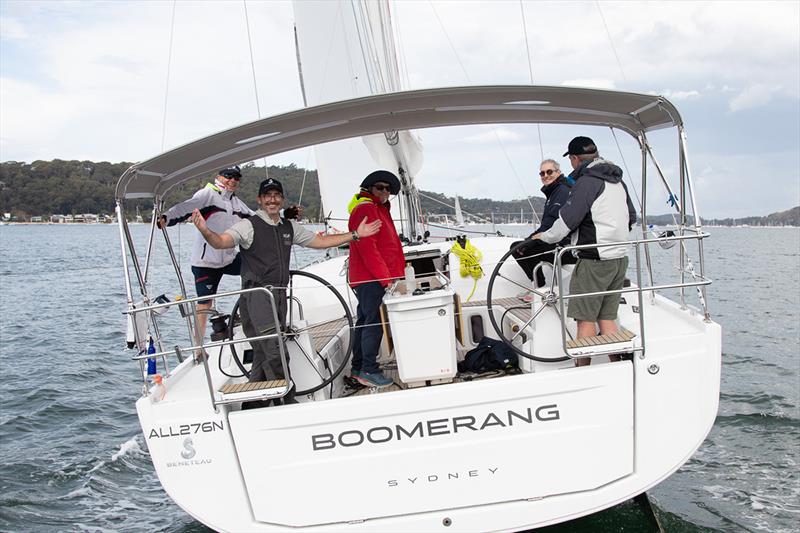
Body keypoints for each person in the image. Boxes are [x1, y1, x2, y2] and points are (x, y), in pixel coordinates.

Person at [191, 177, 381, 403]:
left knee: (262, 353)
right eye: (267, 196)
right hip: (257, 297)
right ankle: (287, 401)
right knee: (275, 350)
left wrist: (355, 235)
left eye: (276, 195)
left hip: (279, 297)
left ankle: (253, 406)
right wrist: (205, 230)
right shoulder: (248, 225)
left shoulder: (289, 227)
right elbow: (221, 242)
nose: (272, 200)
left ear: (281, 199)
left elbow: (319, 242)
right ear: (260, 200)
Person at [533, 136, 637, 366]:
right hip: (619, 258)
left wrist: (546, 237)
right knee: (607, 317)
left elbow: (568, 221)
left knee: (585, 320)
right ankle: (618, 367)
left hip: (594, 259)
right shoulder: (617, 181)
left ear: (575, 159)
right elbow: (631, 217)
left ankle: (582, 372)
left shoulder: (587, 182)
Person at [157, 166, 255, 350]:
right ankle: (198, 346)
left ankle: (244, 313)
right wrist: (166, 217)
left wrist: (281, 220)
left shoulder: (236, 203)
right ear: (218, 176)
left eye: (236, 178)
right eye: (228, 176)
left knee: (256, 269)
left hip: (228, 258)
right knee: (205, 303)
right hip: (206, 262)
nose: (232, 180)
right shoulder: (207, 194)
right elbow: (185, 207)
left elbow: (255, 219)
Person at [346, 170, 405, 388]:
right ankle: (368, 370)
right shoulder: (367, 209)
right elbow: (368, 249)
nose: (385, 192)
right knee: (374, 323)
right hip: (372, 278)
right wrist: (386, 279)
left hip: (370, 278)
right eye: (380, 187)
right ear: (369, 188)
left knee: (365, 321)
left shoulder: (378, 209)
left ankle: (358, 367)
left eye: (388, 189)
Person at [511, 159, 577, 287]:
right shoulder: (554, 192)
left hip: (565, 247)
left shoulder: (562, 192)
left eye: (549, 172)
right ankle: (538, 285)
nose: (545, 176)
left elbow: (551, 224)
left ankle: (539, 287)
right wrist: (529, 241)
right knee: (522, 247)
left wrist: (528, 242)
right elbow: (547, 225)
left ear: (558, 172)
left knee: (518, 248)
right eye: (542, 173)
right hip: (557, 241)